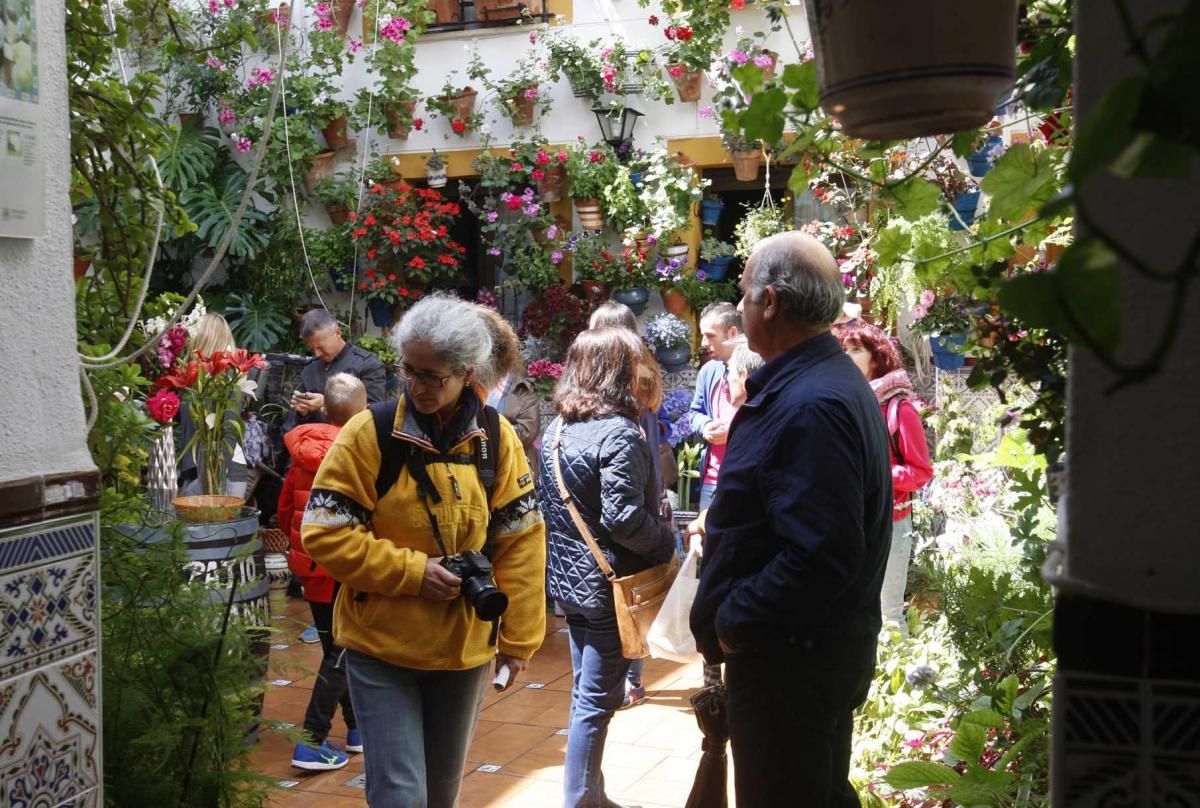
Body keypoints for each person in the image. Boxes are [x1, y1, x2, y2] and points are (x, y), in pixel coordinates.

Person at [301, 294, 546, 808]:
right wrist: (415, 573)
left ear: (467, 373)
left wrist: (519, 640)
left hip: (462, 650)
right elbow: (325, 532)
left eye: (434, 376)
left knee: (440, 794)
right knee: (398, 795)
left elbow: (520, 542)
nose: (418, 387)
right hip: (381, 647)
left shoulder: (496, 440)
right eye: (409, 370)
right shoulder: (369, 434)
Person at [689, 232, 893, 808]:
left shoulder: (811, 402)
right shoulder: (815, 382)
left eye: (745, 292)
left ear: (772, 302)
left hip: (791, 664)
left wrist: (735, 618)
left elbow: (820, 555)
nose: (742, 304)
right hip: (801, 658)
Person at [536, 327, 677, 808]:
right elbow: (622, 518)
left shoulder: (556, 431)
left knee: (586, 697)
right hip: (608, 589)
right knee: (596, 704)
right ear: (618, 371)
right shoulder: (620, 432)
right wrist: (665, 541)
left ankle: (592, 795)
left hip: (569, 583)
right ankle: (580, 801)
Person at [279, 374, 368, 770]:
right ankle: (311, 739)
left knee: (336, 645)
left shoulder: (301, 449)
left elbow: (285, 511)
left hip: (311, 568)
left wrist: (301, 552)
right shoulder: (355, 450)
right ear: (361, 412)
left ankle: (356, 729)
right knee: (345, 648)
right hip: (344, 568)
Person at [587, 301, 670, 710]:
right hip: (646, 476)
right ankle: (634, 677)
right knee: (639, 586)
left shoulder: (619, 381)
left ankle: (629, 678)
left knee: (630, 583)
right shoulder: (648, 372)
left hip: (632, 473)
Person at [835, 320, 933, 631]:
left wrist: (878, 473)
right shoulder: (849, 405)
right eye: (843, 351)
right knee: (852, 610)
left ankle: (902, 676)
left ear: (877, 357)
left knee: (888, 614)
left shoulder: (899, 409)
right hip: (851, 521)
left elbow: (921, 472)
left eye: (855, 350)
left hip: (890, 523)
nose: (846, 357)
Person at [177, 313, 252, 498]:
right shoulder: (195, 379)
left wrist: (211, 479)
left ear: (201, 337)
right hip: (199, 474)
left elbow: (229, 435)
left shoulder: (227, 382)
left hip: (219, 477)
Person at [287, 308, 387, 430]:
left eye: (320, 347)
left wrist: (327, 404)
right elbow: (293, 424)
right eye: (312, 349)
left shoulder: (367, 365)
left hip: (348, 441)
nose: (317, 354)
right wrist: (302, 412)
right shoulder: (310, 368)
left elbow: (373, 416)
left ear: (338, 333)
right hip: (313, 442)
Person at [687, 302, 742, 511]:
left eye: (710, 336)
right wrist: (705, 426)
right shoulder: (708, 371)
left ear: (732, 332)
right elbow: (695, 413)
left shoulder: (757, 368)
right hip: (711, 480)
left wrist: (734, 432)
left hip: (745, 477)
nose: (703, 343)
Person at [478, 306, 541, 468]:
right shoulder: (466, 381)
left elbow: (528, 431)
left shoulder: (521, 385)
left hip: (514, 465)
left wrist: (487, 432)